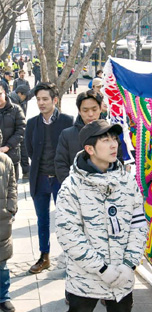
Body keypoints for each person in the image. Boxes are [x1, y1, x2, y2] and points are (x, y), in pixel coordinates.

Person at [55, 120, 150, 312]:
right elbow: (68, 234)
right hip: (86, 278)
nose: (113, 144)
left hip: (121, 277)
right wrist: (102, 268)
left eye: (114, 139)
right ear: (89, 148)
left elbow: (139, 221)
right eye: (106, 140)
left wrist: (128, 264)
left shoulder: (126, 180)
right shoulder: (71, 187)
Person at [24, 82, 74, 274]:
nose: (41, 103)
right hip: (40, 179)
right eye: (38, 99)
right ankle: (44, 257)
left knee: (66, 221)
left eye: (45, 99)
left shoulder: (67, 121)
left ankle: (70, 257)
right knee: (42, 219)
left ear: (55, 100)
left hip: (61, 180)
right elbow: (30, 150)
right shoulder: (32, 123)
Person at [55, 90, 104, 183]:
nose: (90, 114)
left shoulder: (111, 133)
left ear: (100, 108)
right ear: (79, 111)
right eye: (85, 110)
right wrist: (73, 188)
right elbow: (60, 164)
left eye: (94, 109)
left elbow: (117, 162)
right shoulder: (67, 135)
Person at [0, 139, 17, 312]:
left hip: (2, 219)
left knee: (2, 264)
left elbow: (12, 185)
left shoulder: (5, 160)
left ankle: (3, 297)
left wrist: (11, 208)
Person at [0, 86, 26, 182]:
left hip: (11, 154)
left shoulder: (16, 109)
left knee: (11, 187)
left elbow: (21, 130)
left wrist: (8, 146)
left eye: (0, 94)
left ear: (5, 94)